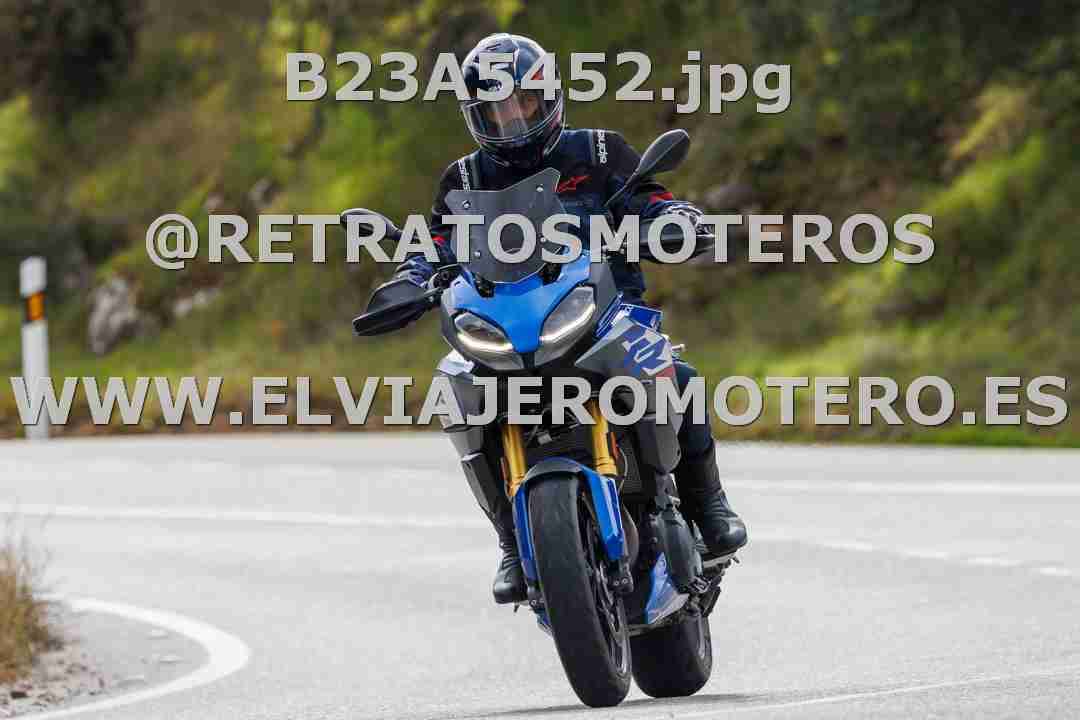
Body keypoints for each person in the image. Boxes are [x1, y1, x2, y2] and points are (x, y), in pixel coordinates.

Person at [388, 33, 746, 604]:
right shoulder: (464, 179)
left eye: (522, 103)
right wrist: (412, 276)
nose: (511, 120)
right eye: (495, 111)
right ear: (475, 116)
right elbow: (436, 241)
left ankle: (708, 503)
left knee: (677, 377)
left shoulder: (599, 151)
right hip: (506, 320)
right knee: (457, 391)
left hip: (605, 311)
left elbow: (646, 198)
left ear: (548, 95)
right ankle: (511, 540)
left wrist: (672, 219)